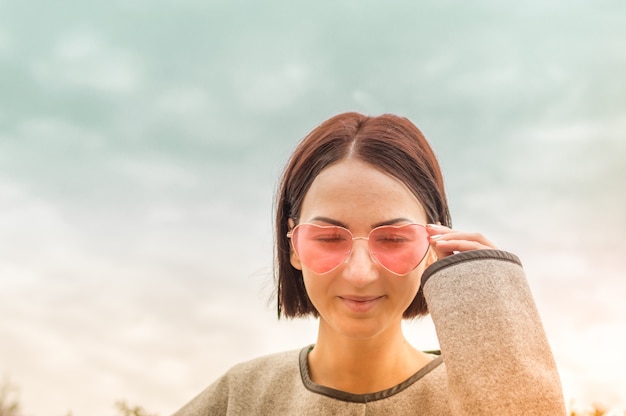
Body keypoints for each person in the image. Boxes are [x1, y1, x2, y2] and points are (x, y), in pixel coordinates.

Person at [173, 112, 566, 415]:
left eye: (393, 238)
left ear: (433, 243)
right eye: (328, 238)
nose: (360, 274)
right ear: (292, 245)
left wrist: (489, 305)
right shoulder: (241, 396)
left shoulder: (479, 395)